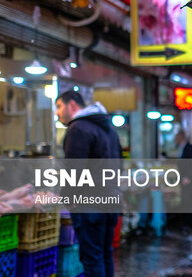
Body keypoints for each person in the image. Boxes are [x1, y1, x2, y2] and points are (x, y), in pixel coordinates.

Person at [55, 90, 122, 277]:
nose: (57, 113)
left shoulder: (78, 128)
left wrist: (68, 198)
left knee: (92, 259)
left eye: (59, 106)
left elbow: (74, 170)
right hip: (111, 201)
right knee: (105, 254)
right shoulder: (107, 128)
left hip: (90, 204)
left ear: (72, 105)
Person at [174, 129, 192, 232]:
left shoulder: (190, 148)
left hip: (189, 180)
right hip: (183, 179)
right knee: (185, 201)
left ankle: (188, 223)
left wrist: (188, 177)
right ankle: (186, 223)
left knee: (188, 201)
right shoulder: (180, 148)